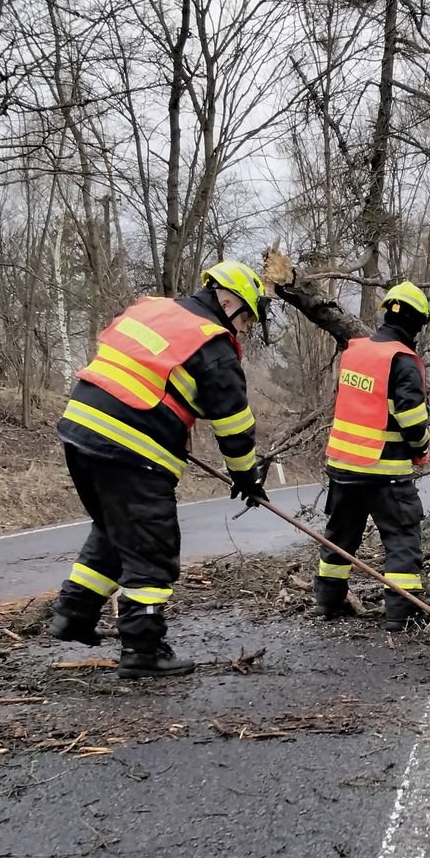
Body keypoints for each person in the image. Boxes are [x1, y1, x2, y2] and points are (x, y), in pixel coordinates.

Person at [49, 261, 271, 677]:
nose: (243, 328)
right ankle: (143, 650)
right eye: (245, 318)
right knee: (152, 548)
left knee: (116, 530)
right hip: (133, 451)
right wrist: (247, 477)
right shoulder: (212, 342)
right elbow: (234, 424)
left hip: (80, 432)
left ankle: (74, 614)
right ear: (228, 301)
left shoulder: (151, 309)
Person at [314, 281, 430, 631]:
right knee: (401, 538)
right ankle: (401, 612)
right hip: (386, 471)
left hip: (343, 466)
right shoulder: (402, 361)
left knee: (340, 536)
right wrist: (422, 447)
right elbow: (412, 422)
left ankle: (328, 600)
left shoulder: (354, 352)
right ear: (416, 322)